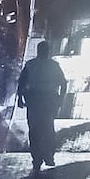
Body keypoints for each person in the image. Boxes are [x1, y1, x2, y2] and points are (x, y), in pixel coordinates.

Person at [16, 40, 68, 171]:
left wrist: (20, 98)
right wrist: (60, 99)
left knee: (35, 130)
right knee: (47, 128)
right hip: (48, 100)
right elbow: (63, 83)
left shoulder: (31, 65)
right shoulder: (54, 66)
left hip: (34, 100)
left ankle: (37, 157)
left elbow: (21, 82)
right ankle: (48, 156)